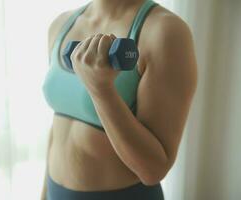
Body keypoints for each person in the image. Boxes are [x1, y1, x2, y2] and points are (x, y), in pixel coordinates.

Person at [41, 0, 197, 199]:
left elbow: (154, 170)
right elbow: (58, 129)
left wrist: (101, 90)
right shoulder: (61, 24)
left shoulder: (165, 31)